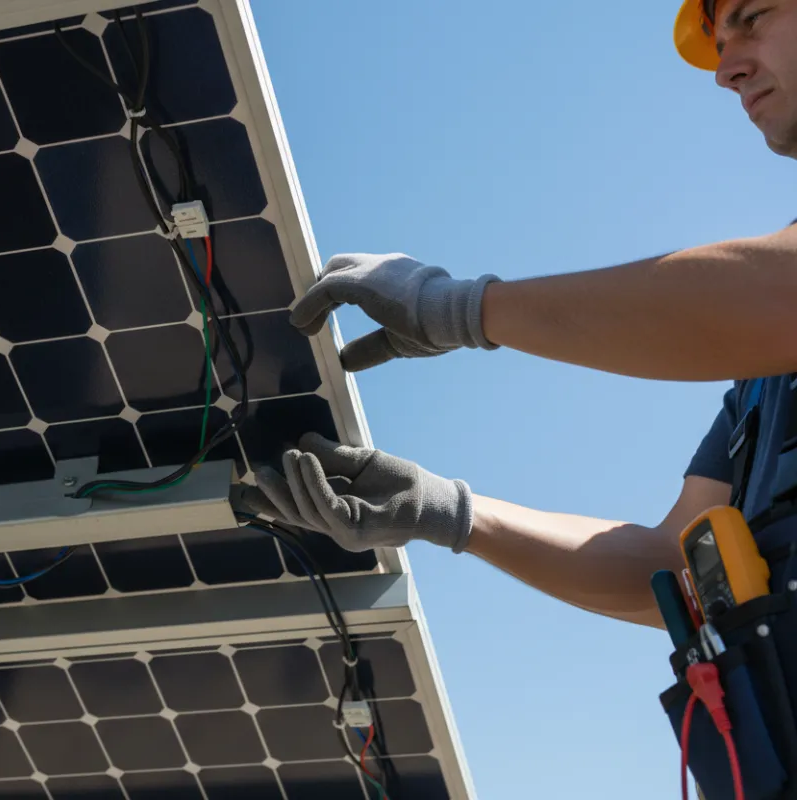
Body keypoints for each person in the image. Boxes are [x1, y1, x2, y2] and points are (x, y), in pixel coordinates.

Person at [238, 0, 797, 629]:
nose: (725, 70)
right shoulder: (761, 390)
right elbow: (672, 570)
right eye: (719, 46)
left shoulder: (772, 309)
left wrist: (458, 310)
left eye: (753, 17)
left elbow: (781, 295)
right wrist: (446, 512)